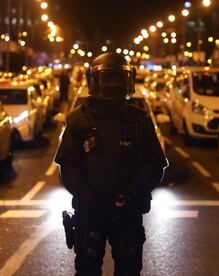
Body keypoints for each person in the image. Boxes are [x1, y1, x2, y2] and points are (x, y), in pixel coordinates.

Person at [55, 52, 168, 276]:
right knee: (87, 270)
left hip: (127, 211)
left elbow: (154, 165)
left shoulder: (138, 120)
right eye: (108, 79)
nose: (113, 85)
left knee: (128, 270)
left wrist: (131, 194)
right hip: (90, 212)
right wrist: (87, 195)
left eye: (118, 79)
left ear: (128, 80)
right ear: (94, 81)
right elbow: (68, 164)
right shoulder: (79, 120)